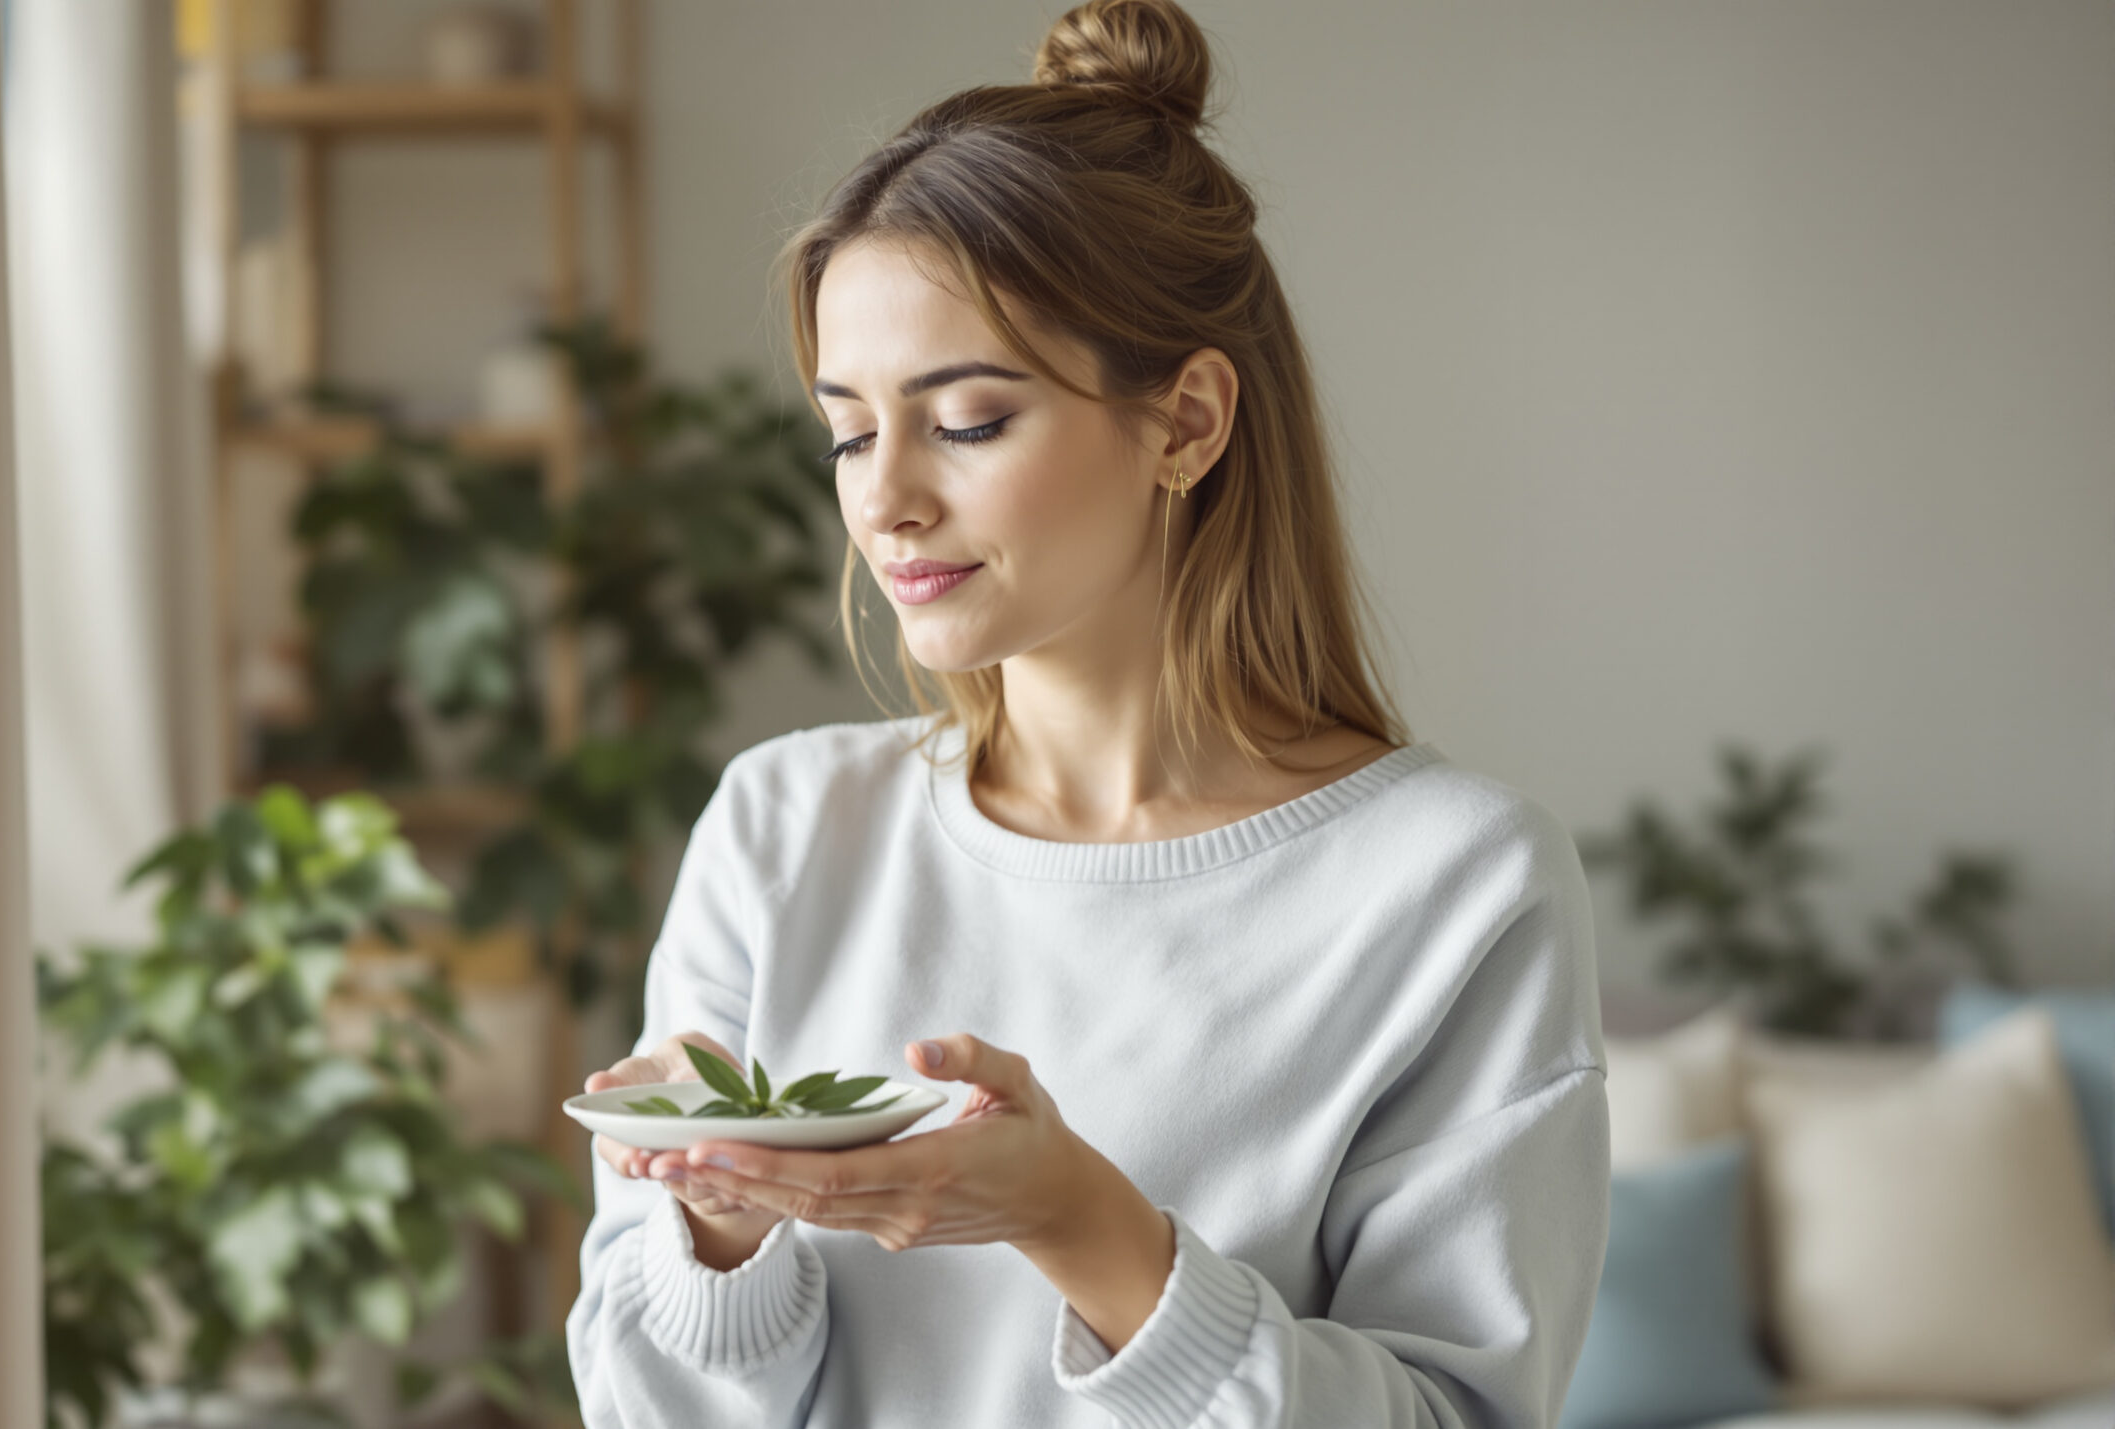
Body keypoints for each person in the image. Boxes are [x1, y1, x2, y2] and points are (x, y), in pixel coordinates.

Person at [562, 1, 1610, 1424]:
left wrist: (1085, 1227)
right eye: (850, 431)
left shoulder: (1456, 883)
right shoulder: (783, 824)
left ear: (1186, 421)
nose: (884, 500)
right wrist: (721, 1229)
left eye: (970, 418)